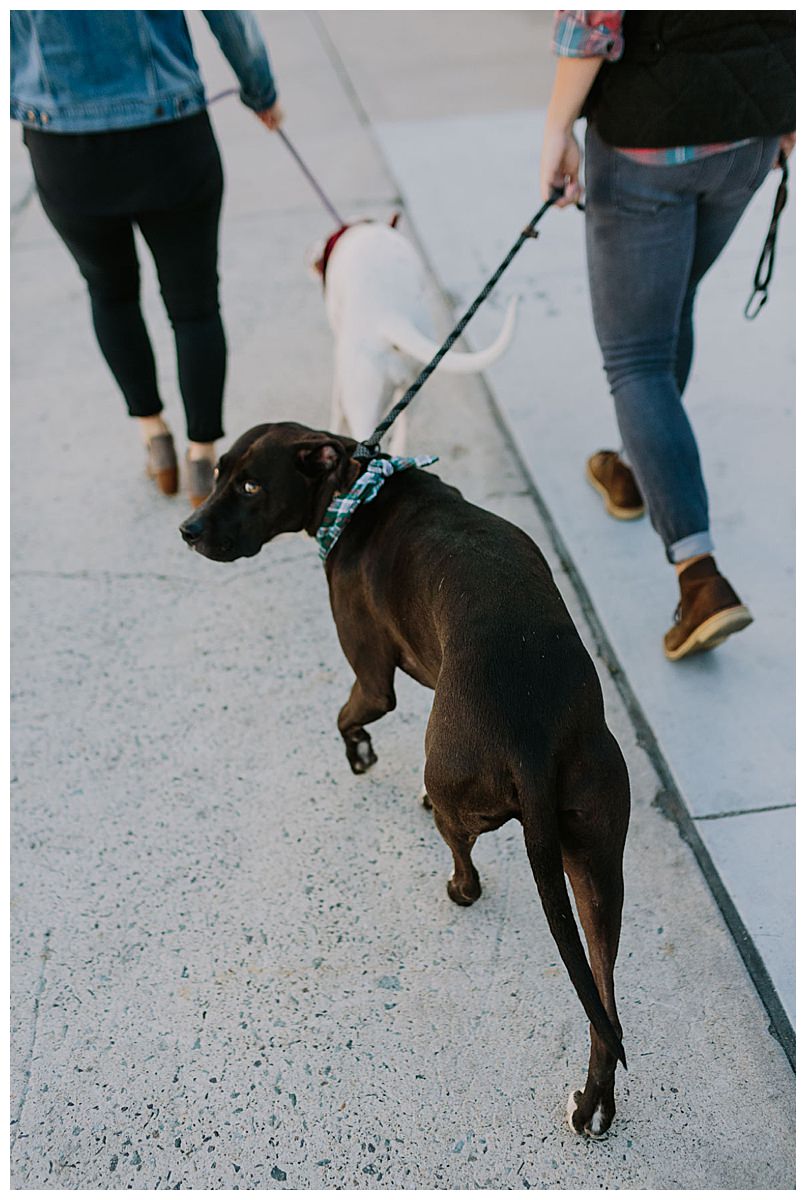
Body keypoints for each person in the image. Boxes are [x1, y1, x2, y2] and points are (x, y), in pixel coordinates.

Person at [539, 10, 795, 660]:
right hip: (749, 133)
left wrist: (557, 127)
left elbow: (592, 23)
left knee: (636, 357)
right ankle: (633, 471)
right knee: (668, 304)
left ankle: (699, 578)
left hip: (646, 144)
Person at [11, 10, 284, 507]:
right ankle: (202, 458)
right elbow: (229, 17)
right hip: (170, 135)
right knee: (195, 304)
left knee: (110, 293)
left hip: (63, 146)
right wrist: (259, 90)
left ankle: (154, 438)